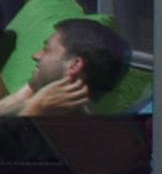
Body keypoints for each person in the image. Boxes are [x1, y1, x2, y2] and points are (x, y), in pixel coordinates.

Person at [0, 18, 129, 117]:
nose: (36, 55)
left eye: (47, 50)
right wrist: (25, 97)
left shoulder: (67, 131)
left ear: (75, 65)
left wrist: (36, 109)